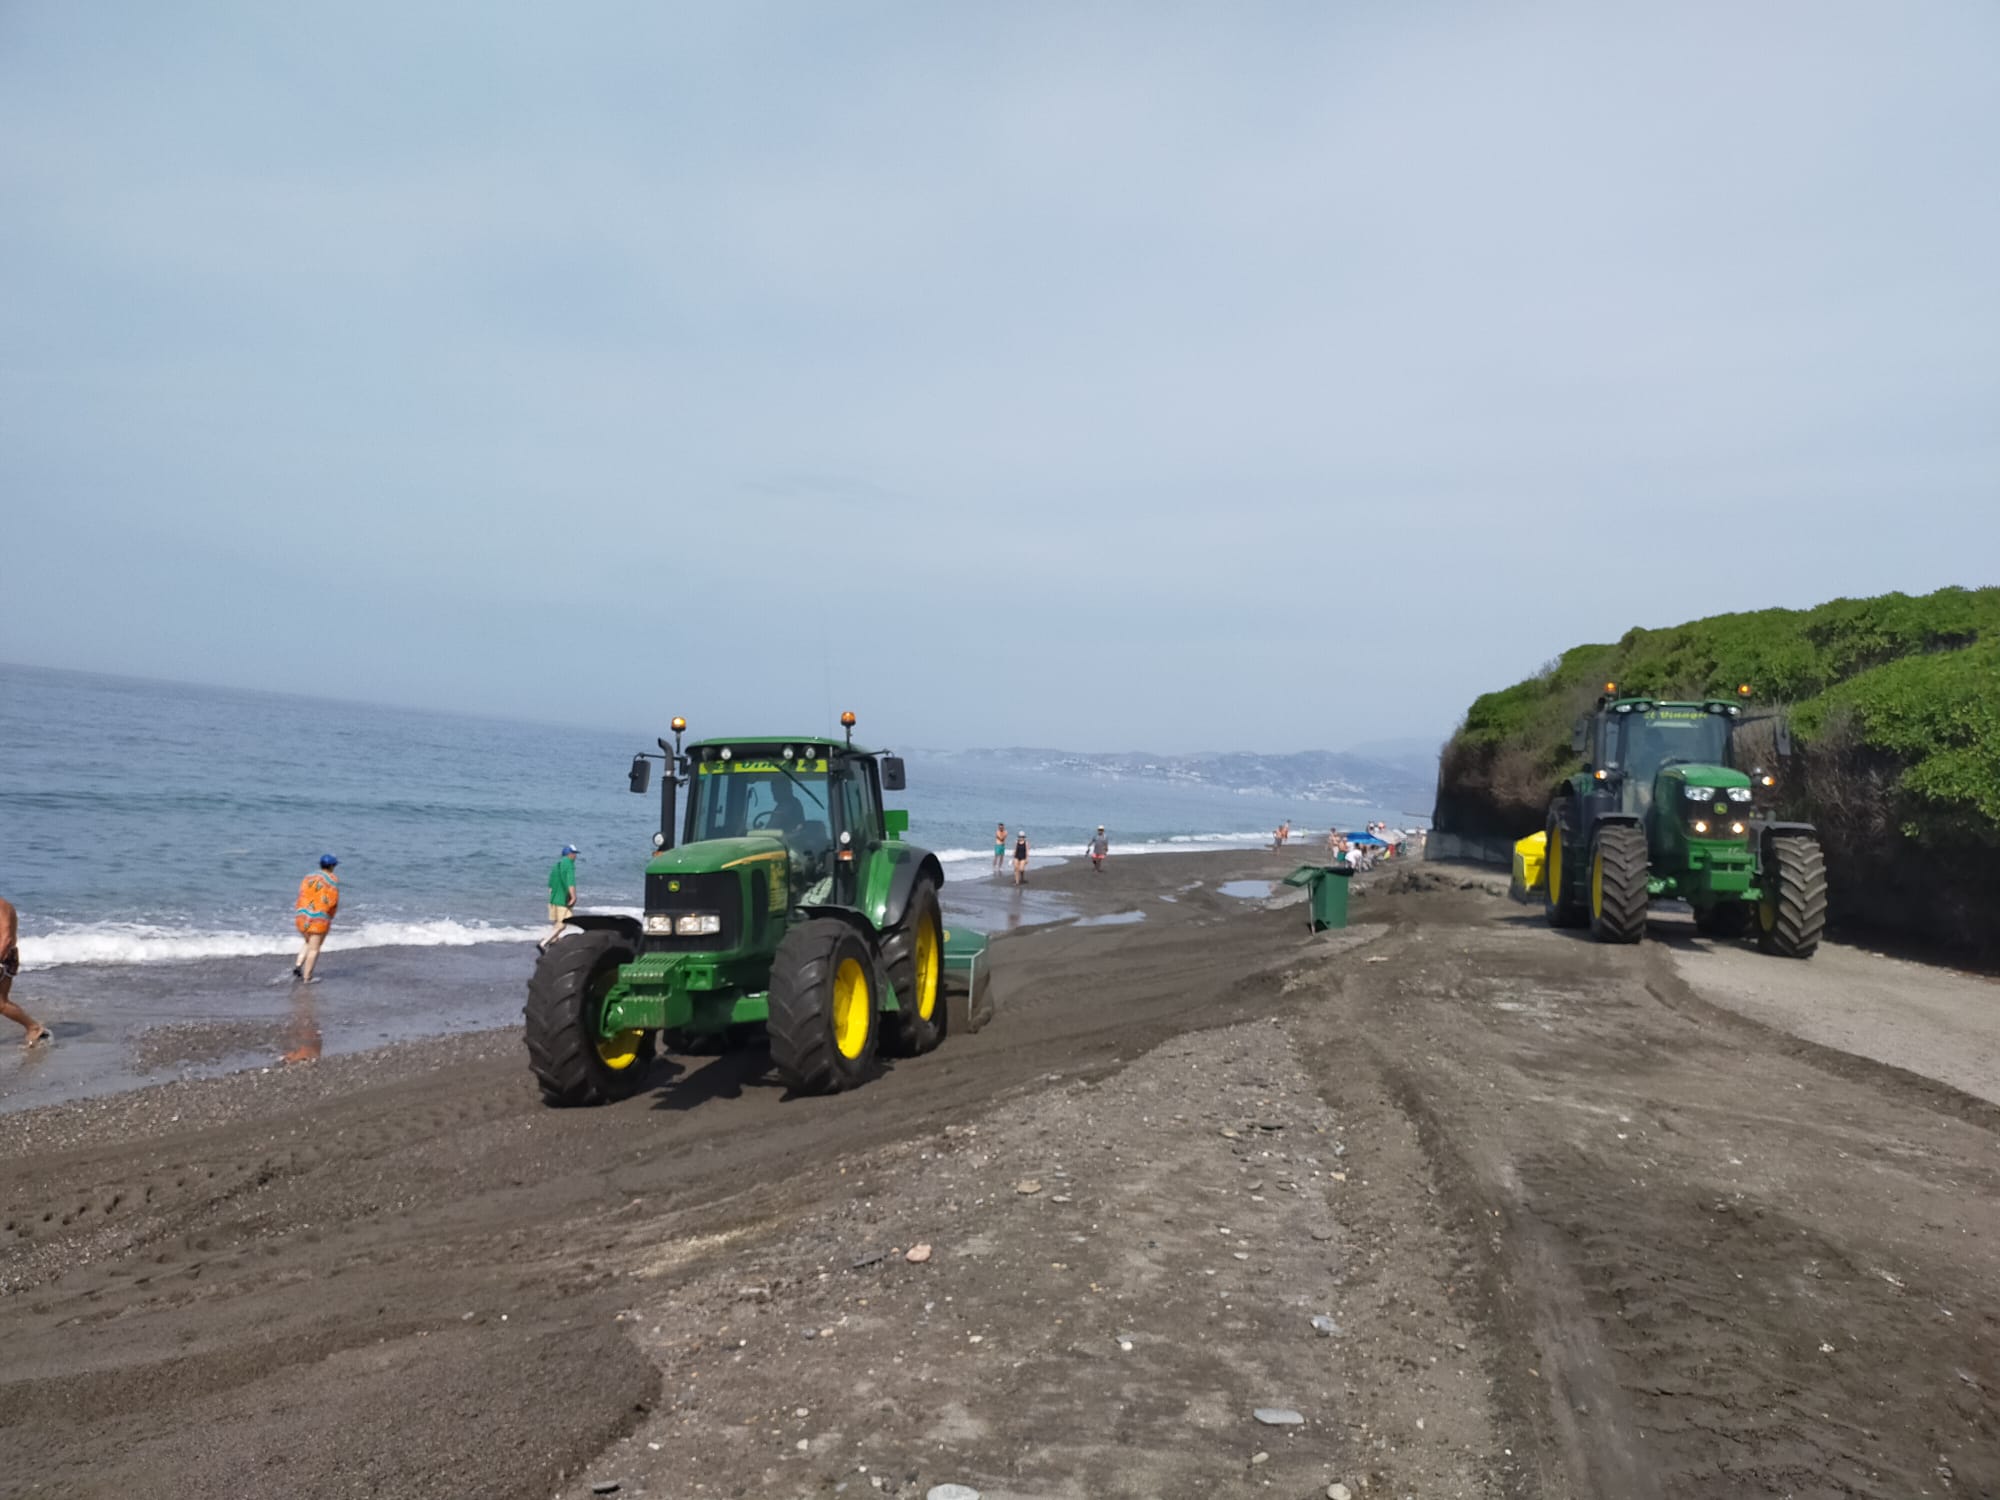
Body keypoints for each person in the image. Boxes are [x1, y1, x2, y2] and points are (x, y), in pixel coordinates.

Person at [0, 896, 52, 1048]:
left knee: (1, 1003)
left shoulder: (3, 906)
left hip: (4, 958)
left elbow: (7, 938)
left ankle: (34, 1028)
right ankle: (33, 1027)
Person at [293, 854, 341, 982]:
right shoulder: (332, 879)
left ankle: (298, 965)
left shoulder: (309, 877)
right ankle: (307, 977)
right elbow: (332, 901)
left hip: (301, 915)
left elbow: (302, 894)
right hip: (318, 920)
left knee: (308, 942)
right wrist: (331, 916)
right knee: (314, 948)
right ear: (331, 866)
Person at [543, 843, 578, 951]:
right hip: (562, 900)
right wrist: (573, 897)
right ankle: (544, 942)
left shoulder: (556, 865)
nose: (575, 856)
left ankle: (554, 943)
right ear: (569, 854)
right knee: (562, 924)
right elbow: (570, 883)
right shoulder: (569, 865)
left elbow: (550, 886)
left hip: (553, 899)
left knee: (557, 923)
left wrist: (552, 899)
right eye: (574, 853)